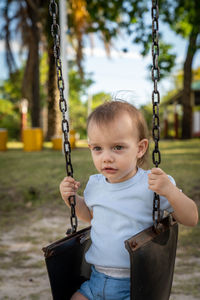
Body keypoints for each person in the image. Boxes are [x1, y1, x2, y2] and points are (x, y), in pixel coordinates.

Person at [60, 101, 198, 300]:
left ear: (140, 148)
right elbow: (91, 217)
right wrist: (72, 199)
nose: (106, 157)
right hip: (96, 279)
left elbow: (191, 218)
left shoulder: (153, 184)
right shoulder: (95, 184)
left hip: (135, 284)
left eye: (117, 147)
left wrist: (171, 191)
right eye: (97, 148)